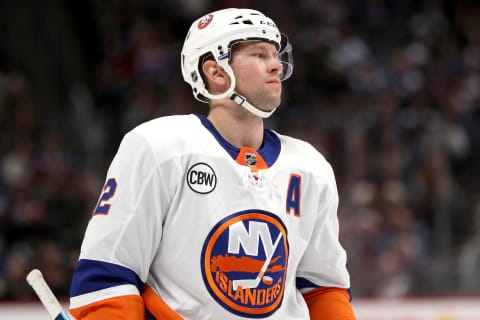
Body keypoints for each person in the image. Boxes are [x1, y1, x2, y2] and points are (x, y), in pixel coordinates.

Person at [69, 8, 356, 320]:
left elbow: (322, 288)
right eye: (259, 54)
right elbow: (109, 273)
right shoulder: (159, 148)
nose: (275, 64)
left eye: (276, 54)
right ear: (216, 72)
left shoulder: (310, 167)